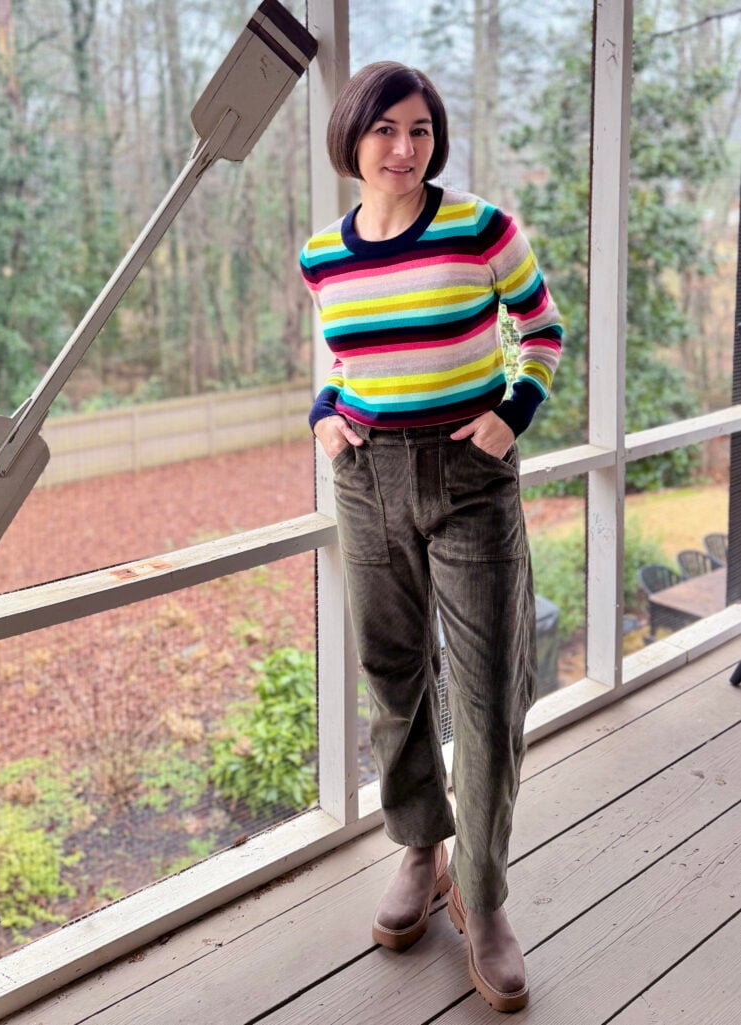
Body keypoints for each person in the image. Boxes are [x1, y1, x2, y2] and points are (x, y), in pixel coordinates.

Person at [300, 61, 562, 1014]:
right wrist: (326, 414)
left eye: (419, 130)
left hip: (467, 476)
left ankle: (483, 897)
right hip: (366, 478)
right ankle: (421, 846)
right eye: (384, 131)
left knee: (489, 686)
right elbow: (342, 352)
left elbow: (540, 328)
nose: (404, 148)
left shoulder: (480, 227)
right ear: (351, 141)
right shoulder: (321, 254)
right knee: (391, 676)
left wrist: (510, 413)